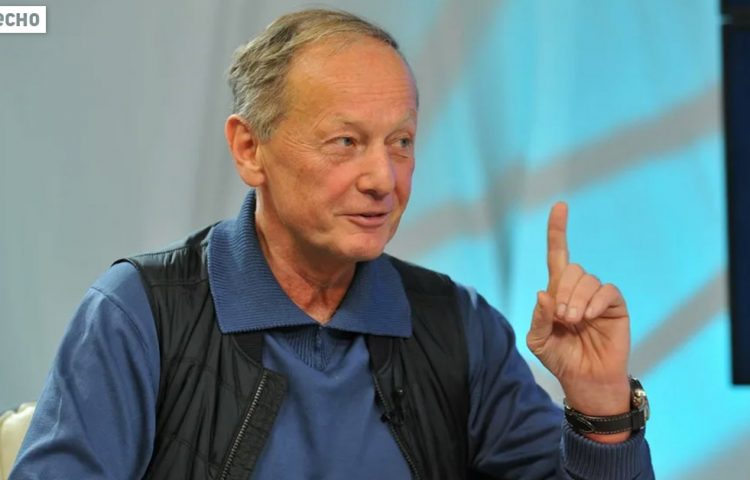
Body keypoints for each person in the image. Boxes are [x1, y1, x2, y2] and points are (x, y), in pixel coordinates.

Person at [10, 8, 654, 480]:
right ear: (249, 149)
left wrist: (600, 407)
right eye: (346, 141)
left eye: (400, 142)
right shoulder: (139, 315)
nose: (383, 179)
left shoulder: (458, 327)